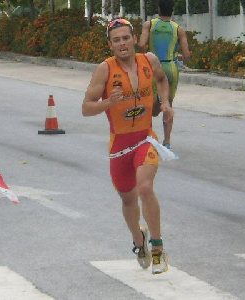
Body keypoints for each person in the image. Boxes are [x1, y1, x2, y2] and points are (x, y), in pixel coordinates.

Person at [82, 18, 174, 274]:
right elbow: (86, 108)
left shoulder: (149, 61)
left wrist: (165, 103)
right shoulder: (105, 70)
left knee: (145, 187)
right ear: (110, 45)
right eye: (116, 40)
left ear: (134, 39)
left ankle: (157, 248)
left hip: (145, 138)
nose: (122, 44)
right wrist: (107, 103)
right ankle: (139, 239)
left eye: (126, 38)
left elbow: (163, 80)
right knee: (127, 198)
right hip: (119, 145)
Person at [138, 0, 190, 150]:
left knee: (149, 104)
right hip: (170, 67)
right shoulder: (178, 29)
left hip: (153, 66)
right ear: (172, 10)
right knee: (169, 104)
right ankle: (167, 142)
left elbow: (141, 45)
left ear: (158, 8)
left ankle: (147, 137)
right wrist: (177, 57)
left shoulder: (150, 24)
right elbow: (186, 54)